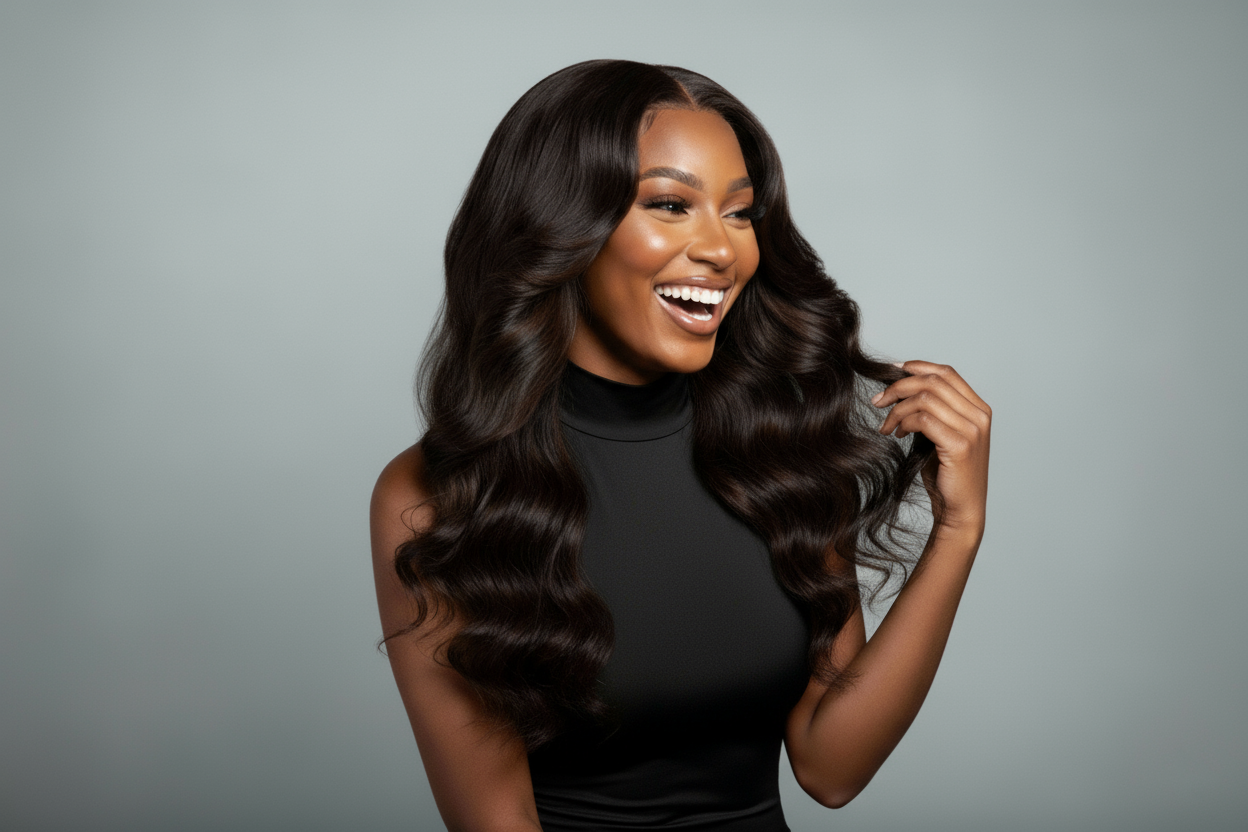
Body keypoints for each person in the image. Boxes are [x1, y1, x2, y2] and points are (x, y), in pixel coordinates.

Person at [370, 60, 991, 832]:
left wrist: (959, 531)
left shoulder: (781, 446)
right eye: (670, 204)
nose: (722, 251)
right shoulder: (436, 496)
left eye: (740, 213)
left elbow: (832, 768)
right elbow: (499, 821)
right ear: (562, 223)